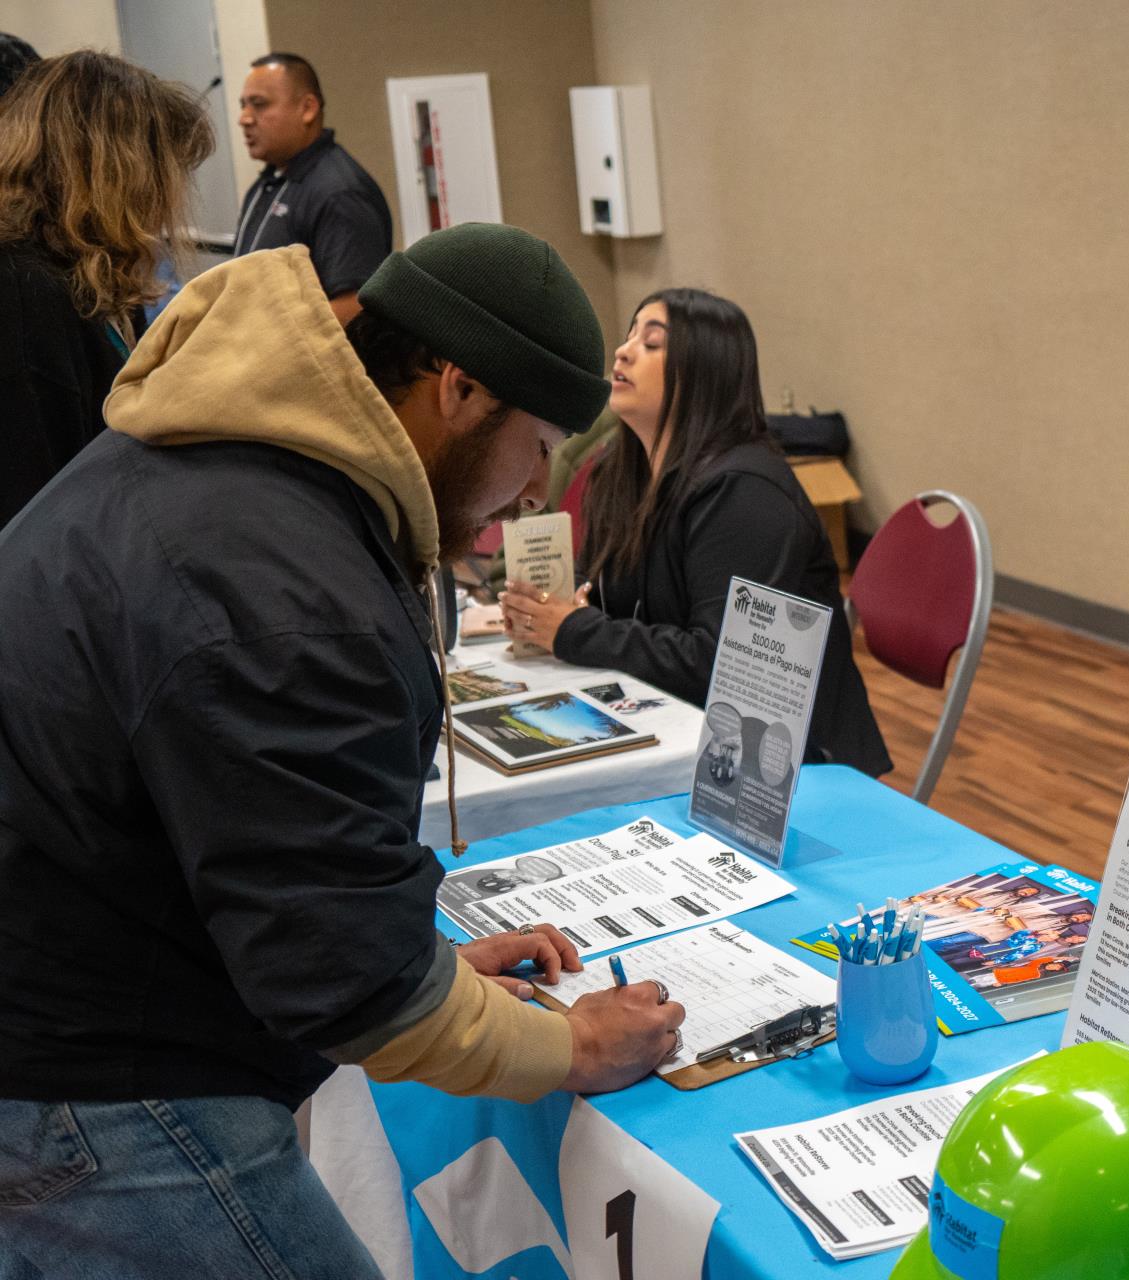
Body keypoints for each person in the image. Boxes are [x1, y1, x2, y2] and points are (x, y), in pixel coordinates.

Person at [0, 225, 685, 1278]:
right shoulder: (289, 589)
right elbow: (356, 990)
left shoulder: (225, 453)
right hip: (84, 1073)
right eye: (537, 439)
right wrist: (576, 1045)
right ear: (456, 388)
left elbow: (248, 847)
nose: (538, 486)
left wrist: (409, 954)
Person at [498, 288, 890, 776]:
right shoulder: (618, 472)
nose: (623, 350)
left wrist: (574, 630)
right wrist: (544, 611)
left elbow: (724, 663)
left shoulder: (745, 492)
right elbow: (600, 599)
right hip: (672, 726)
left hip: (786, 769)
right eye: (630, 335)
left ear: (705, 370)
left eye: (653, 342)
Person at [0, 50, 212, 529]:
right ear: (122, 174)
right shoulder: (22, 295)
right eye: (169, 174)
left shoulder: (97, 277)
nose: (172, 199)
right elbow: (35, 514)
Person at [235, 52, 391, 325]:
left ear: (307, 108)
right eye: (243, 105)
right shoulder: (271, 181)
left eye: (259, 105)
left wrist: (272, 351)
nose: (244, 119)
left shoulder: (340, 193)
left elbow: (353, 307)